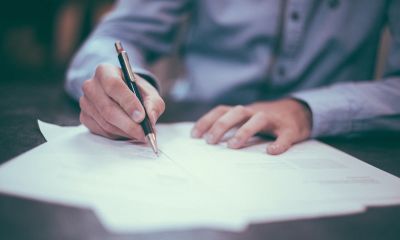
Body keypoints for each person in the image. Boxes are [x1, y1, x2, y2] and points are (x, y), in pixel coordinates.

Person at [66, 0, 400, 155]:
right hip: (197, 131)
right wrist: (124, 84)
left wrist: (307, 109)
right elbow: (116, 34)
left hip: (339, 143)